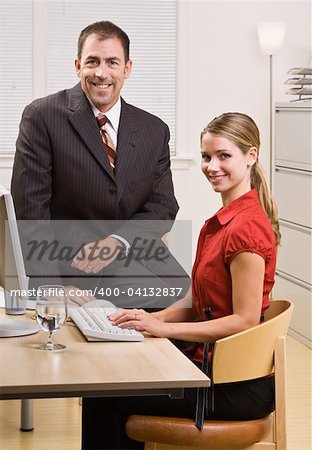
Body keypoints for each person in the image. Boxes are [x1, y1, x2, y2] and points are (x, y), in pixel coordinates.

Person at [81, 112, 281, 449]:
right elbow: (199, 304)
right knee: (112, 376)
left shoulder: (245, 228)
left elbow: (244, 320)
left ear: (251, 157)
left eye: (224, 156)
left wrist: (165, 330)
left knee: (104, 396)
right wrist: (149, 319)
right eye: (206, 156)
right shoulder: (220, 223)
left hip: (232, 384)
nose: (212, 166)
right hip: (212, 368)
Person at [10, 20, 189, 308]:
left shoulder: (154, 129)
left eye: (112, 62)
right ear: (78, 65)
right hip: (69, 260)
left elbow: (163, 205)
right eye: (92, 62)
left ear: (127, 68)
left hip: (129, 250)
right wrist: (49, 287)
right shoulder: (42, 117)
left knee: (181, 287)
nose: (101, 73)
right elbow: (31, 210)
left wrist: (117, 241)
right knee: (149, 301)